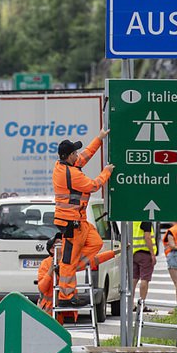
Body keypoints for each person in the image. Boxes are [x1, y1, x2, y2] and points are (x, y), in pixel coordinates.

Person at [52, 129, 114, 307]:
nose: (77, 155)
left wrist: (99, 138)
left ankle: (70, 267)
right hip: (71, 223)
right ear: (68, 156)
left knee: (96, 243)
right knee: (68, 261)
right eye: (74, 153)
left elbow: (86, 156)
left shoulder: (66, 166)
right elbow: (94, 185)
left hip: (79, 222)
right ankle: (66, 296)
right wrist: (106, 172)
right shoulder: (71, 174)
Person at [37, 233, 118, 323]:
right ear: (52, 249)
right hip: (47, 311)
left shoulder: (70, 262)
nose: (64, 245)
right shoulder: (46, 264)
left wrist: (115, 252)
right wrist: (50, 271)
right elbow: (42, 288)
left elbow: (95, 259)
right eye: (60, 243)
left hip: (64, 310)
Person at [132, 221, 157, 312]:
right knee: (144, 279)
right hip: (145, 253)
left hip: (133, 253)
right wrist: (152, 254)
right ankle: (142, 303)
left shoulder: (134, 221)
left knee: (134, 279)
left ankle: (131, 304)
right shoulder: (145, 220)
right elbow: (147, 237)